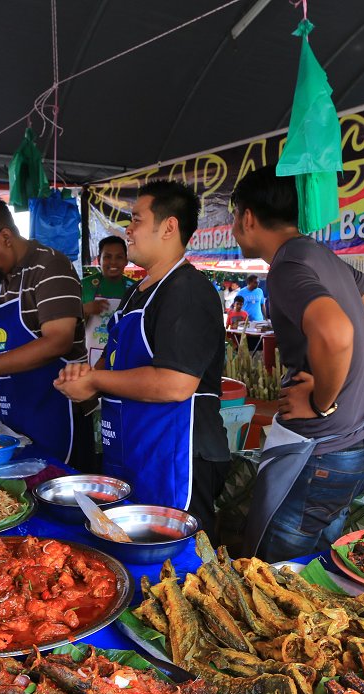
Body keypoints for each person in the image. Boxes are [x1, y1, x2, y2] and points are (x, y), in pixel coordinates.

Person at [229, 165, 364, 560]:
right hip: (355, 447)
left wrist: (325, 399)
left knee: (274, 576)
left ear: (249, 217)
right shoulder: (317, 255)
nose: (235, 229)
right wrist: (355, 378)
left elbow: (336, 332)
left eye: (235, 219)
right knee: (320, 571)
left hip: (321, 452)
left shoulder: (287, 269)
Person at [55, 180, 229, 526]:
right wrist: (86, 381)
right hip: (133, 450)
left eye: (136, 220)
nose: (127, 229)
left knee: (179, 569)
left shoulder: (188, 292)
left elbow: (174, 384)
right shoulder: (140, 291)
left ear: (169, 227)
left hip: (176, 457)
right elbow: (114, 361)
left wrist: (96, 378)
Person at [0, 194, 92, 467]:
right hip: (17, 413)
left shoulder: (50, 266)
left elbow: (58, 341)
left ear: (6, 236)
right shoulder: (1, 278)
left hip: (57, 413)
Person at [82, 235, 136, 366]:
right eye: (107, 257)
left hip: (120, 354)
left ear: (126, 260)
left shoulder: (135, 289)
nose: (113, 262)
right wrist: (85, 310)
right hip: (87, 355)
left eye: (119, 257)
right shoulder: (85, 285)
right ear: (99, 259)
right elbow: (69, 324)